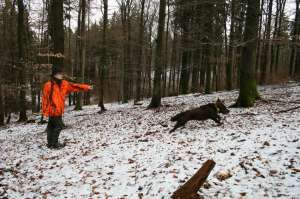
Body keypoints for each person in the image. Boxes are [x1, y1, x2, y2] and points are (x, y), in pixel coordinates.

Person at [42, 66, 92, 149]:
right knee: (59, 126)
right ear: (54, 75)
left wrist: (86, 87)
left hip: (59, 109)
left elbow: (75, 86)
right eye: (59, 74)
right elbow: (45, 98)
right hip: (52, 109)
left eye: (61, 73)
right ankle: (54, 144)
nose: (61, 75)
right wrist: (45, 110)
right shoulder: (48, 85)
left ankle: (50, 144)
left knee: (51, 126)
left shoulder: (64, 84)